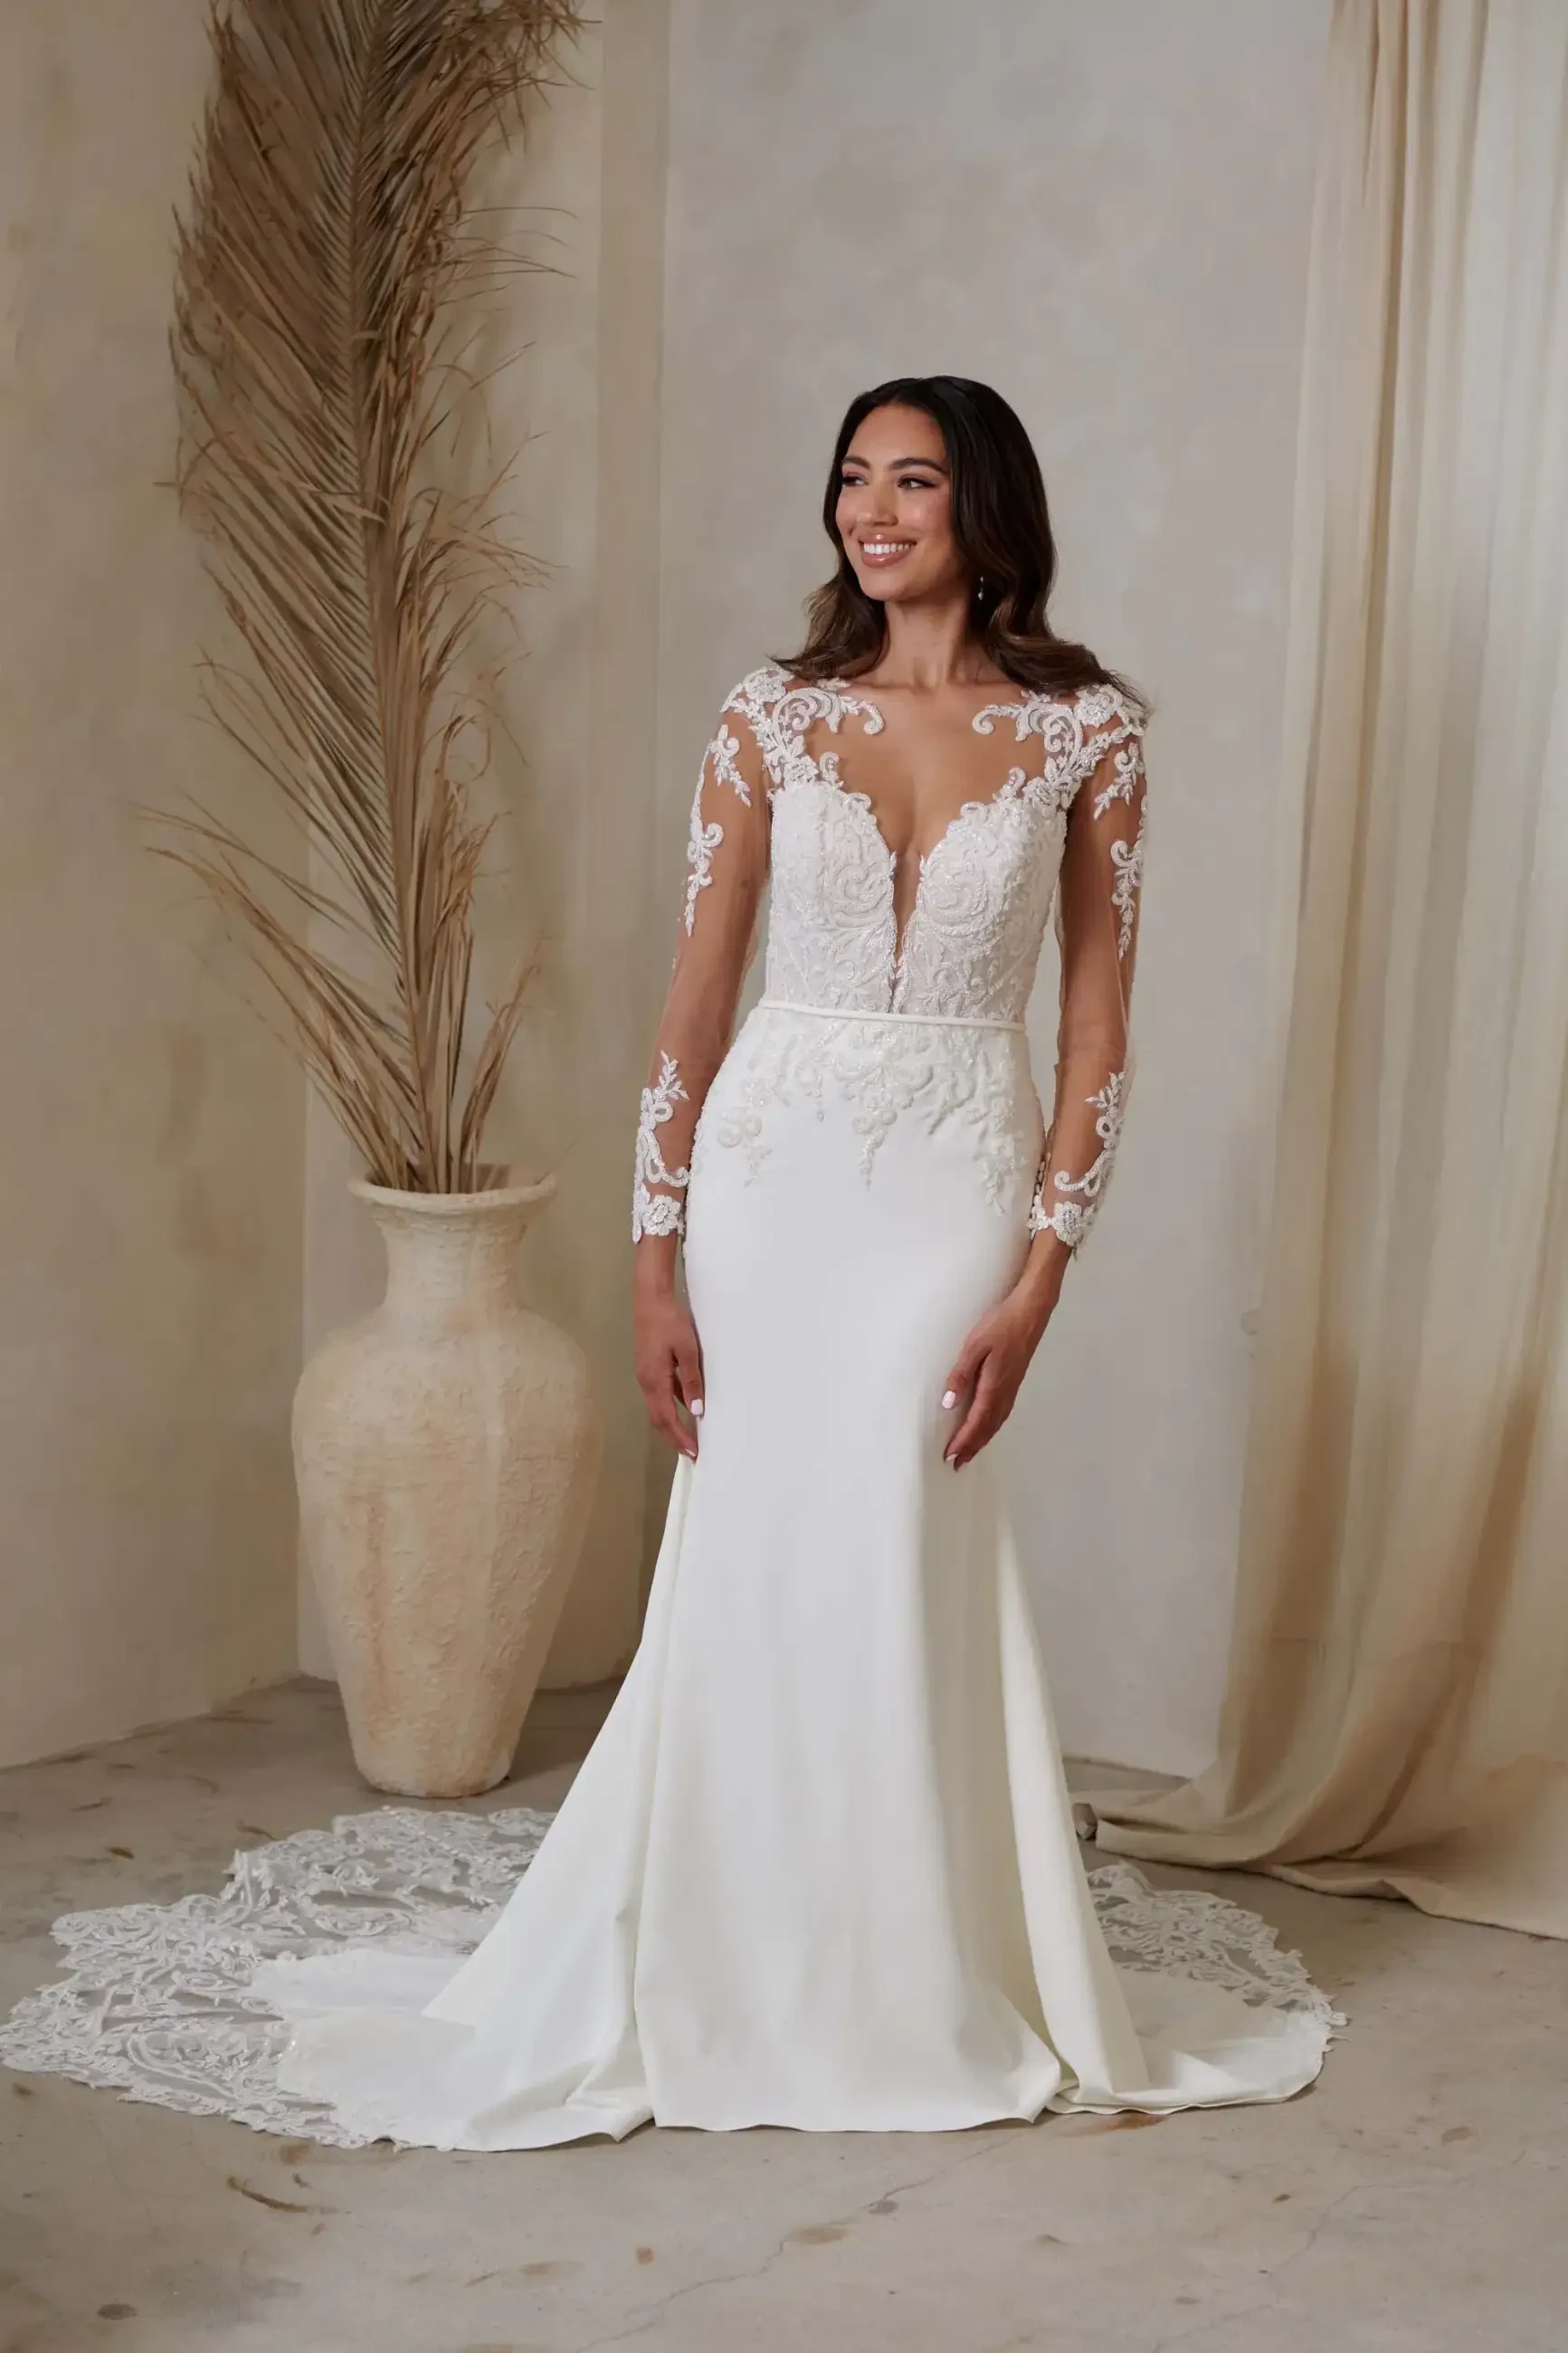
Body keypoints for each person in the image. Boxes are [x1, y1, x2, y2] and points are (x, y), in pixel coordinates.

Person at [246, 376, 1332, 2146]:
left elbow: (1094, 1022)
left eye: (911, 478)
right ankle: (729, 1948)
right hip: (768, 1170)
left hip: (950, 1181)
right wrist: (651, 1258)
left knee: (899, 1533)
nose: (872, 508)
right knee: (754, 1546)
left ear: (985, 506)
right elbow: (693, 1002)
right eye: (851, 478)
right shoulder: (768, 715)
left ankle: (903, 1961)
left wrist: (1043, 1267)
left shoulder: (1085, 734)